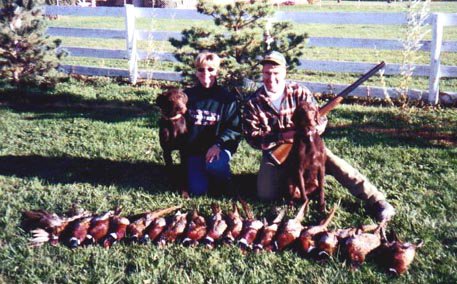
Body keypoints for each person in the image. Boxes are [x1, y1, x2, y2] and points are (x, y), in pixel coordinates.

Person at [242, 51, 395, 221]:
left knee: (336, 163)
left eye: (276, 73)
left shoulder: (299, 92)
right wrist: (284, 135)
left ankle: (377, 201)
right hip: (276, 154)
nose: (271, 78)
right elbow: (253, 137)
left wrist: (310, 129)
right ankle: (294, 186)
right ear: (262, 73)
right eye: (267, 73)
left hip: (307, 147)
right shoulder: (253, 102)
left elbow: (321, 120)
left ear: (284, 72)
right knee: (266, 195)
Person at [183, 51, 241, 196]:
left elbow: (234, 129)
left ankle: (223, 179)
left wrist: (218, 144)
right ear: (196, 72)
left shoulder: (227, 99)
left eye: (210, 69)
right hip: (195, 151)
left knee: (215, 166)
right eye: (201, 69)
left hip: (218, 149)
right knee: (198, 191)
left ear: (217, 71)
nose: (205, 73)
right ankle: (201, 175)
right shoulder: (187, 96)